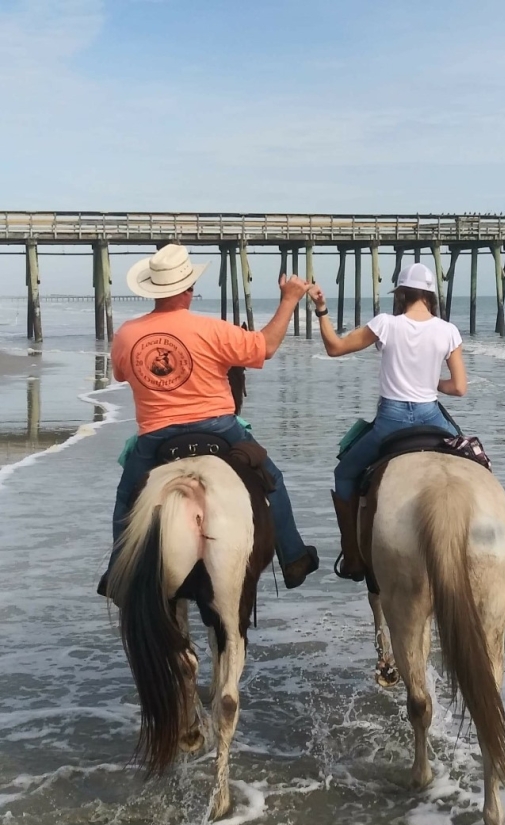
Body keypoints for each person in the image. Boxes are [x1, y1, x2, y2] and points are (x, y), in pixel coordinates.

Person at [98, 243, 318, 597]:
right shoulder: (212, 330)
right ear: (188, 289)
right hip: (219, 427)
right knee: (271, 479)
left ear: (154, 290)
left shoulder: (127, 334)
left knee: (126, 497)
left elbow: (123, 375)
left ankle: (117, 574)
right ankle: (292, 557)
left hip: (156, 435)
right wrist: (290, 300)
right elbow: (266, 346)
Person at [307, 262, 467, 581]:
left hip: (391, 421)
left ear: (402, 295)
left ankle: (352, 555)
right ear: (431, 296)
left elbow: (334, 348)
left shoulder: (387, 324)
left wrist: (322, 310)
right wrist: (432, 383)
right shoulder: (448, 331)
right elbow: (459, 388)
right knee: (474, 462)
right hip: (431, 417)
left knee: (344, 474)